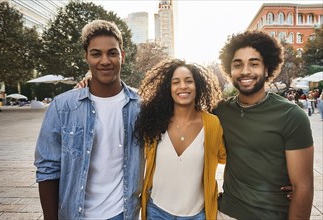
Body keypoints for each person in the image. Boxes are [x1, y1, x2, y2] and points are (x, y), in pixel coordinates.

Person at [34, 20, 143, 220]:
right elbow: (48, 169)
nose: (105, 61)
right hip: (75, 215)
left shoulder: (141, 106)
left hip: (123, 214)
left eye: (112, 53)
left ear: (122, 56)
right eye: (96, 53)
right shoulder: (62, 106)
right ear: (86, 57)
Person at [215, 31, 314, 220]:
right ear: (230, 71)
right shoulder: (220, 111)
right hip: (226, 212)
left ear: (267, 68)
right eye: (237, 65)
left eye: (254, 64)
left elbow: (303, 188)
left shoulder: (292, 116)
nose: (245, 71)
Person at [134, 58, 226, 219]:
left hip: (197, 214)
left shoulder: (212, 124)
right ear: (168, 88)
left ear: (198, 85)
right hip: (156, 212)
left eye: (189, 81)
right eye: (176, 82)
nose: (183, 86)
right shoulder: (155, 122)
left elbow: (225, 158)